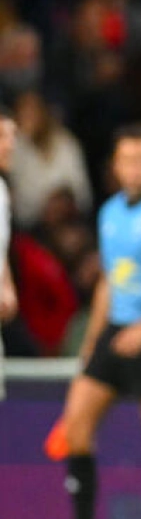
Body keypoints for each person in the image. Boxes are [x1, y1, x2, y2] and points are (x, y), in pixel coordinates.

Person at [42, 128, 141, 519]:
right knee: (76, 429)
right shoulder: (110, 212)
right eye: (127, 160)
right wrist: (92, 343)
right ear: (115, 167)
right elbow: (109, 281)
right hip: (113, 330)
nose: (134, 168)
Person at [0, 109, 18, 397]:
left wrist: (5, 284)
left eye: (13, 136)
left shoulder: (1, 190)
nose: (10, 144)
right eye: (1, 136)